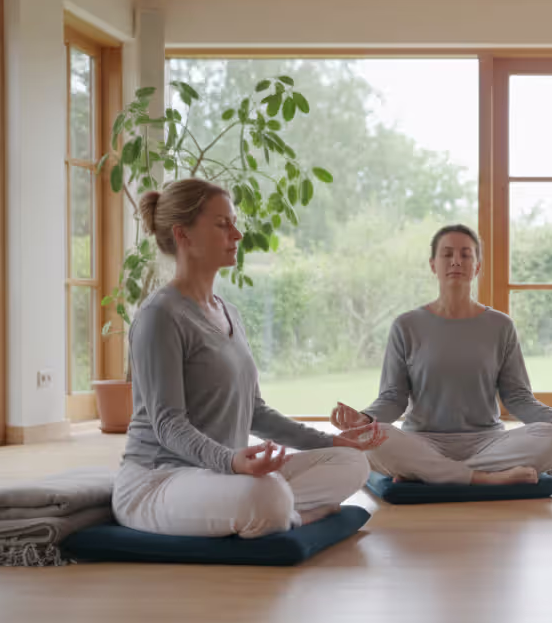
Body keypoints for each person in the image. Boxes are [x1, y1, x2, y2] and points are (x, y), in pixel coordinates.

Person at [114, 179, 384, 538]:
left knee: (352, 463)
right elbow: (168, 425)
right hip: (160, 480)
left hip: (223, 476)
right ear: (184, 236)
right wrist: (231, 460)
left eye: (234, 222)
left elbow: (255, 412)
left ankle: (275, 511)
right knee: (267, 495)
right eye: (223, 224)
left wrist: (332, 442)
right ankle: (291, 515)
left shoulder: (229, 313)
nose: (238, 234)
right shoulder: (160, 315)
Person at [330, 224, 552, 485]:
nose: (456, 261)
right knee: (372, 438)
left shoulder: (500, 326)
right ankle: (486, 478)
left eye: (465, 255)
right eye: (447, 254)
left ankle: (426, 475)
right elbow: (393, 398)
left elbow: (517, 397)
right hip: (422, 442)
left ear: (477, 267)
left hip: (487, 443)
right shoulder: (406, 325)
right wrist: (363, 420)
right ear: (433, 265)